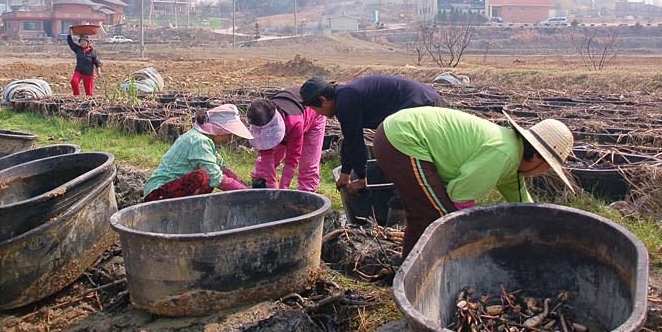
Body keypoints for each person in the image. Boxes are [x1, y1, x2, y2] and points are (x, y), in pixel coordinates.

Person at [373, 106, 575, 260]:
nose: (542, 173)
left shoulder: (512, 154)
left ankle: (407, 271)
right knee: (441, 220)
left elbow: (519, 195)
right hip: (404, 139)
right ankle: (423, 276)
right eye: (547, 168)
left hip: (397, 133)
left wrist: (540, 225)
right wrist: (472, 236)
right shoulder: (504, 154)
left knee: (423, 214)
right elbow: (459, 194)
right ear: (539, 159)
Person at [299, 74, 444, 194]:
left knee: (406, 158)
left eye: (315, 109)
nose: (318, 114)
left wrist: (362, 179)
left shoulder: (345, 101)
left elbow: (355, 142)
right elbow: (350, 138)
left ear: (323, 100)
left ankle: (409, 202)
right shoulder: (345, 96)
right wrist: (345, 173)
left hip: (423, 105)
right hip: (427, 99)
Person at [143, 104, 252, 201]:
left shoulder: (206, 142)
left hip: (172, 190)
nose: (229, 137)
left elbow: (222, 168)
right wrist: (244, 192)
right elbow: (217, 177)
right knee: (203, 176)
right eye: (228, 133)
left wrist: (246, 189)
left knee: (210, 175)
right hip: (157, 194)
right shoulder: (199, 141)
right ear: (219, 129)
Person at [246, 87, 327, 192]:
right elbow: (265, 152)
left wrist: (283, 190)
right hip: (285, 123)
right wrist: (271, 183)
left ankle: (306, 196)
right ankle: (260, 182)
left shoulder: (295, 122)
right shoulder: (262, 117)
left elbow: (292, 159)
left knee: (308, 163)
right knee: (274, 156)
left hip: (314, 118)